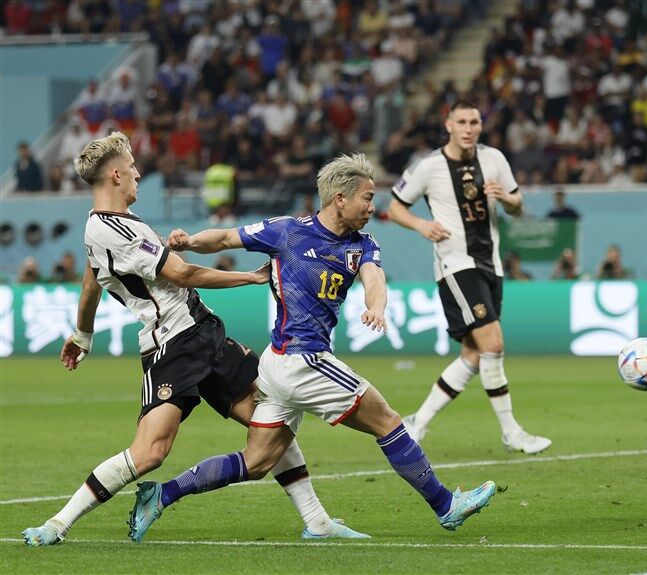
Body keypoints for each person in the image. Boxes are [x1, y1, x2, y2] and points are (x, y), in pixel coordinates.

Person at [128, 153, 496, 542]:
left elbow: (375, 278)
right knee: (388, 421)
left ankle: (161, 495)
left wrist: (376, 306)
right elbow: (224, 238)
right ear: (340, 199)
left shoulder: (362, 245)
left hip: (279, 365)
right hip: (303, 360)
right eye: (367, 198)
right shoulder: (287, 231)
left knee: (257, 461)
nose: (373, 208)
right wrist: (189, 241)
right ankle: (445, 505)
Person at [22, 132, 339, 546]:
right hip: (172, 346)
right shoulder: (107, 229)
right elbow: (182, 274)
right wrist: (251, 277)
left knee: (269, 419)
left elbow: (90, 283)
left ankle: (317, 521)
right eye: (132, 166)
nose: (138, 173)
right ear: (115, 175)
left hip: (203, 330)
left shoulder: (118, 223)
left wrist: (82, 334)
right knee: (150, 453)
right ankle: (57, 524)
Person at [387, 100, 551, 454]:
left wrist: (506, 198)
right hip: (456, 264)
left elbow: (518, 205)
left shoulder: (494, 159)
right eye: (461, 122)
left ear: (481, 125)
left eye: (474, 122)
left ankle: (416, 422)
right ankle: (511, 432)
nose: (468, 128)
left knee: (474, 354)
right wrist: (421, 225)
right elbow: (395, 207)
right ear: (449, 125)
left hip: (491, 264)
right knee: (493, 344)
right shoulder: (429, 166)